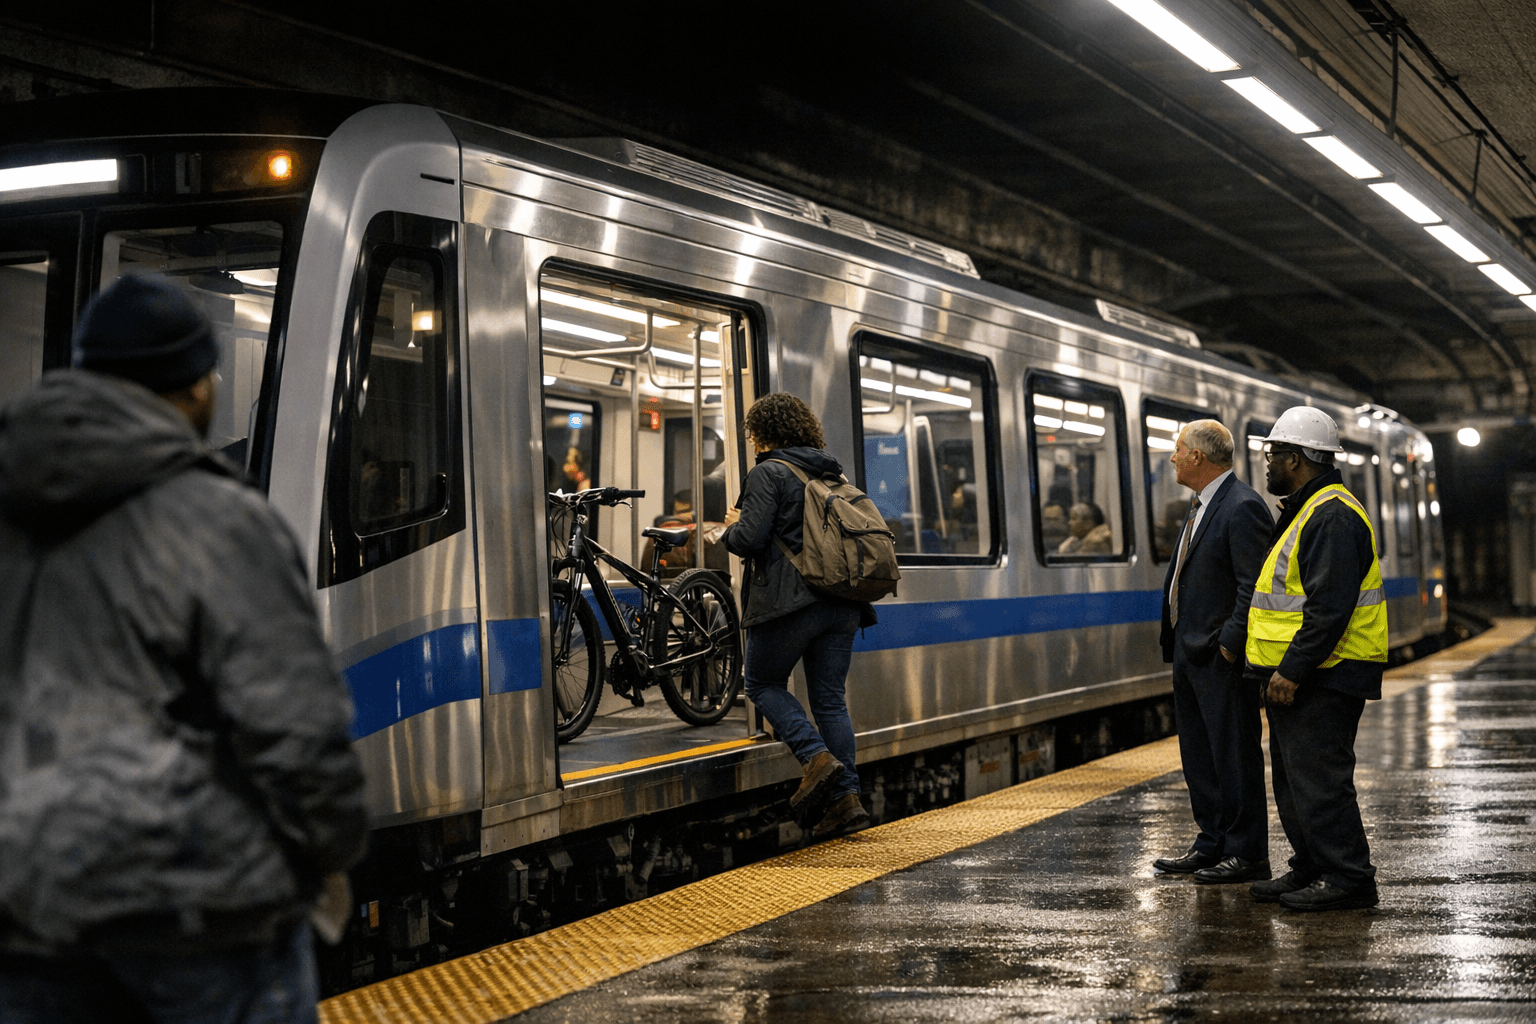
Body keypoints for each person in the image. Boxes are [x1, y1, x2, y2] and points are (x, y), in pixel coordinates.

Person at [0, 275, 369, 1022]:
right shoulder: (220, 521)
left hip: (29, 908)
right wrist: (326, 854)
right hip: (201, 914)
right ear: (198, 387)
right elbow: (295, 730)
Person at [1246, 406, 1388, 911]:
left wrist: (1293, 669)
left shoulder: (1330, 514)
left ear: (1301, 459)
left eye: (1275, 454)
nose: (1268, 463)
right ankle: (1311, 865)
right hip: (1308, 672)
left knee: (1321, 781)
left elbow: (1330, 608)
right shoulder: (1307, 508)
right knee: (1294, 779)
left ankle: (1349, 878)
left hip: (1326, 673)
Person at [722, 392, 875, 841]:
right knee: (829, 700)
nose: (750, 440)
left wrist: (730, 527)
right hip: (843, 603)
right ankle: (847, 801)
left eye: (752, 432)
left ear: (762, 434)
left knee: (762, 683)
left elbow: (749, 540)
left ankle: (815, 758)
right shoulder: (831, 471)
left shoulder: (767, 472)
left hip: (791, 602)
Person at [1151, 420, 1273, 884]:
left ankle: (1247, 853)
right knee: (1200, 755)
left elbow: (1254, 587)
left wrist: (1228, 644)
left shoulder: (1242, 507)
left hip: (1218, 656)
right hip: (1189, 651)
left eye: (1177, 450)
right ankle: (1212, 842)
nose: (1173, 458)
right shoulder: (1203, 505)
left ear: (1198, 457)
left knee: (1233, 755)